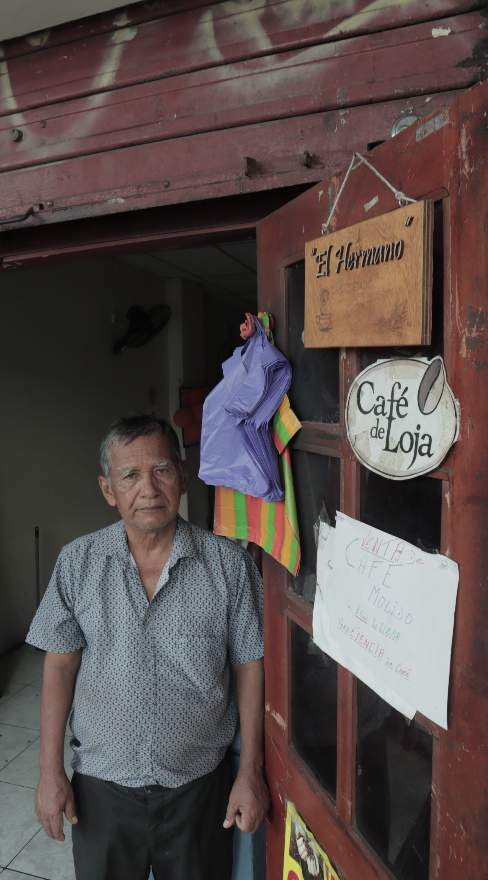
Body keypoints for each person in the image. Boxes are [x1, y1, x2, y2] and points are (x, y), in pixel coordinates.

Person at [27, 414, 269, 880]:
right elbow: (58, 668)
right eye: (130, 475)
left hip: (199, 790)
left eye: (161, 470)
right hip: (102, 790)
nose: (149, 489)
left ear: (181, 475)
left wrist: (250, 772)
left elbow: (249, 666)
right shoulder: (78, 562)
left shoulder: (229, 565)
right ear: (107, 489)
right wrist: (50, 772)